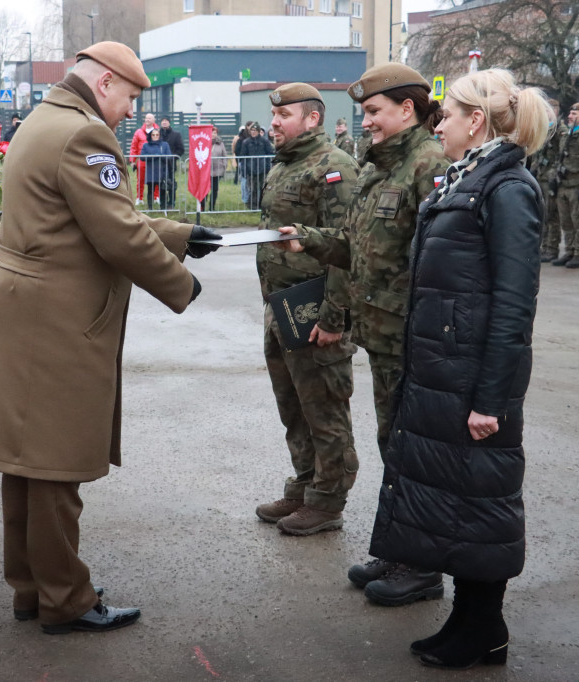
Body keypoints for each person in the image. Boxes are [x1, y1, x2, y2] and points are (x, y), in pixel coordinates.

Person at [0, 41, 219, 636]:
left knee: (27, 464)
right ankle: (66, 600)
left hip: (25, 310)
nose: (130, 111)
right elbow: (118, 233)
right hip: (55, 320)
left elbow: (91, 213)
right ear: (104, 83)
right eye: (128, 97)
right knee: (55, 465)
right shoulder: (84, 135)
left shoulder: (42, 121)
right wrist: (180, 282)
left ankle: (32, 587)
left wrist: (181, 233)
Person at [371, 68, 548, 670]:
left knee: (483, 500)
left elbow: (514, 304)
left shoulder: (508, 188)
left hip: (475, 379)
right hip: (444, 371)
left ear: (476, 121)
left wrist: (491, 398)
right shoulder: (466, 180)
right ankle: (470, 622)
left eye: (444, 115)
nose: (436, 123)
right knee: (457, 500)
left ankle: (484, 629)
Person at [275, 64, 450, 604]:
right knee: (393, 444)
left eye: (374, 111)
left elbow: (446, 261)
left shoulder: (429, 165)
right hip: (383, 336)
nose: (366, 121)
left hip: (413, 337)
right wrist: (307, 239)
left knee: (417, 452)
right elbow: (357, 248)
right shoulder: (381, 170)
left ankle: (423, 566)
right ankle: (400, 551)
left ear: (408, 109)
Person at [251, 83, 360, 535]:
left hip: (316, 311)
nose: (274, 123)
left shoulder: (336, 168)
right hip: (282, 308)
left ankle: (328, 501)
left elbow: (349, 248)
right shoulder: (285, 165)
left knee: (325, 410)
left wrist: (334, 318)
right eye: (274, 116)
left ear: (312, 118)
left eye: (284, 116)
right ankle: (304, 485)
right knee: (293, 406)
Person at [549, 103, 579, 269]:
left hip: (577, 185)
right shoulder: (567, 134)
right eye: (570, 113)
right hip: (564, 184)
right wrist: (554, 177)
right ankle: (569, 251)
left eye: (574, 114)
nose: (570, 116)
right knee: (566, 221)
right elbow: (559, 157)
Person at [529, 99, 565, 262]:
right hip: (540, 176)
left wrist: (553, 174)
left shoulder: (560, 131)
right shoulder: (544, 129)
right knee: (541, 214)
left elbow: (561, 155)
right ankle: (543, 246)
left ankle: (552, 247)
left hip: (550, 178)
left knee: (551, 215)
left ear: (555, 110)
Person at [241, 123, 273, 209]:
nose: (253, 132)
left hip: (262, 169)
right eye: (251, 130)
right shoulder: (246, 142)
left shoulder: (264, 141)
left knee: (263, 188)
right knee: (252, 188)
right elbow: (243, 157)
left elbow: (270, 153)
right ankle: (252, 205)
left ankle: (262, 205)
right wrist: (244, 170)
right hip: (250, 169)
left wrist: (268, 167)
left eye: (255, 130)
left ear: (259, 131)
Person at [140, 127, 172, 210]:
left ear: (159, 136)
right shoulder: (146, 145)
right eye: (153, 135)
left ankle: (163, 208)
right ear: (150, 136)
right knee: (150, 190)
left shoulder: (164, 145)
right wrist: (153, 156)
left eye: (157, 135)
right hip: (151, 171)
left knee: (162, 190)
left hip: (162, 171)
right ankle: (150, 208)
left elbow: (169, 156)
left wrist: (161, 156)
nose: (155, 136)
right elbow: (142, 157)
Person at [128, 112, 156, 204]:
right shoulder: (138, 132)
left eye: (149, 118)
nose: (147, 120)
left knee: (155, 178)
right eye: (146, 118)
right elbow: (133, 147)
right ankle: (139, 198)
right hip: (142, 160)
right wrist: (132, 160)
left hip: (155, 161)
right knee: (140, 179)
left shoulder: (157, 131)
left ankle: (156, 197)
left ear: (153, 120)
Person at [158, 116, 184, 208]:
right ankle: (162, 203)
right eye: (163, 120)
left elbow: (181, 149)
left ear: (169, 123)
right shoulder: (157, 134)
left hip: (171, 164)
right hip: (159, 164)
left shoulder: (176, 135)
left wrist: (173, 157)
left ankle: (171, 202)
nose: (164, 122)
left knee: (171, 183)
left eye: (166, 121)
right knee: (161, 183)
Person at [208, 125, 228, 211]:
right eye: (211, 132)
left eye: (214, 133)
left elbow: (224, 155)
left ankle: (212, 207)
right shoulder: (204, 142)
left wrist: (224, 166)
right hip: (206, 171)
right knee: (205, 190)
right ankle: (202, 206)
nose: (213, 134)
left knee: (215, 190)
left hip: (217, 171)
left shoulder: (220, 143)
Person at [233, 123, 252, 204]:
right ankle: (245, 198)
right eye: (249, 126)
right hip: (244, 162)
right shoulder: (241, 138)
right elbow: (236, 150)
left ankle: (251, 199)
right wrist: (241, 159)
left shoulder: (253, 137)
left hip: (253, 163)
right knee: (244, 180)